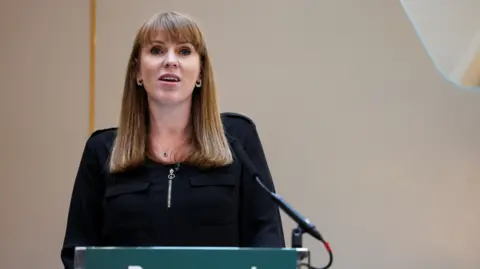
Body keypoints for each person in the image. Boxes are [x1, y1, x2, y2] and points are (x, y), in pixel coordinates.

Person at [60, 10, 285, 269]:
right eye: (156, 50)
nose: (170, 61)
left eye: (184, 51)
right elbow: (77, 254)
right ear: (137, 72)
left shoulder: (238, 139)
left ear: (200, 72)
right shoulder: (101, 150)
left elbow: (267, 239)